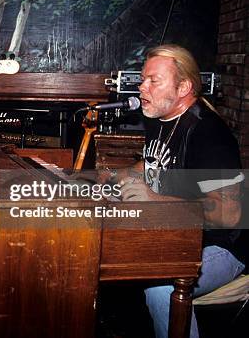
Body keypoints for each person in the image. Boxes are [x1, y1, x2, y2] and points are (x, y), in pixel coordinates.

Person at [101, 44, 245, 338]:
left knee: (160, 288)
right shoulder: (162, 119)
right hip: (180, 236)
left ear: (183, 88)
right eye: (143, 79)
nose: (142, 87)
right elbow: (150, 162)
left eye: (154, 80)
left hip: (224, 247)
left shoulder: (209, 135)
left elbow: (228, 215)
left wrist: (156, 200)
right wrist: (108, 179)